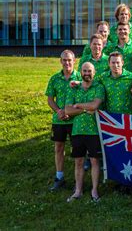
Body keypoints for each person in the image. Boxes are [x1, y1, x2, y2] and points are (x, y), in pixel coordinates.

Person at [64, 62, 104, 202]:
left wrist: (78, 106)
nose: (87, 73)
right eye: (84, 71)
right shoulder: (74, 88)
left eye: (89, 71)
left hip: (93, 131)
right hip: (77, 131)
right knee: (79, 162)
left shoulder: (98, 87)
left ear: (94, 72)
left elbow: (95, 105)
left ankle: (94, 191)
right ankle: (78, 191)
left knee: (94, 161)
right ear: (81, 72)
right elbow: (67, 110)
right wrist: (87, 110)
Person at [45, 50, 81, 191]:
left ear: (74, 61)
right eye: (64, 60)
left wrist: (71, 113)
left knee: (77, 150)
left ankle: (77, 181)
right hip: (59, 120)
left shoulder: (79, 78)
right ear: (60, 61)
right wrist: (59, 111)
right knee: (59, 148)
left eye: (69, 60)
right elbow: (50, 99)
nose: (67, 63)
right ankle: (59, 178)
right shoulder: (54, 79)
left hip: (75, 120)